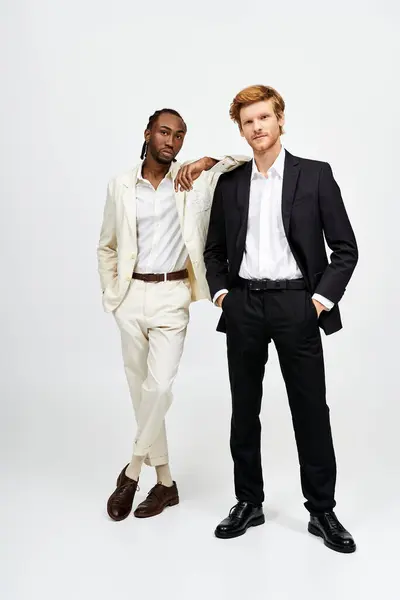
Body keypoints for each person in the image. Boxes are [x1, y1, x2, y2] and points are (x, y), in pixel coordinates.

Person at [204, 85, 358, 553]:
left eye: (264, 118)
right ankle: (248, 502)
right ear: (242, 129)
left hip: (297, 304)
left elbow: (345, 251)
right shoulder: (230, 183)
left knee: (310, 409)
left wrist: (317, 302)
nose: (257, 127)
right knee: (243, 409)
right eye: (248, 122)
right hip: (245, 304)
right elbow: (213, 250)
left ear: (280, 119)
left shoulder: (314, 176)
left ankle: (322, 511)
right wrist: (223, 296)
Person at [97, 108, 247, 521]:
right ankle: (165, 484)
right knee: (141, 392)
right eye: (164, 132)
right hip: (130, 297)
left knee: (159, 388)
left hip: (172, 295)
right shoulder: (121, 185)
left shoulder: (192, 180)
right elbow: (107, 244)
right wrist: (112, 293)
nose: (171, 141)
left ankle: (130, 473)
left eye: (180, 136)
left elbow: (245, 159)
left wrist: (204, 161)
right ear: (147, 133)